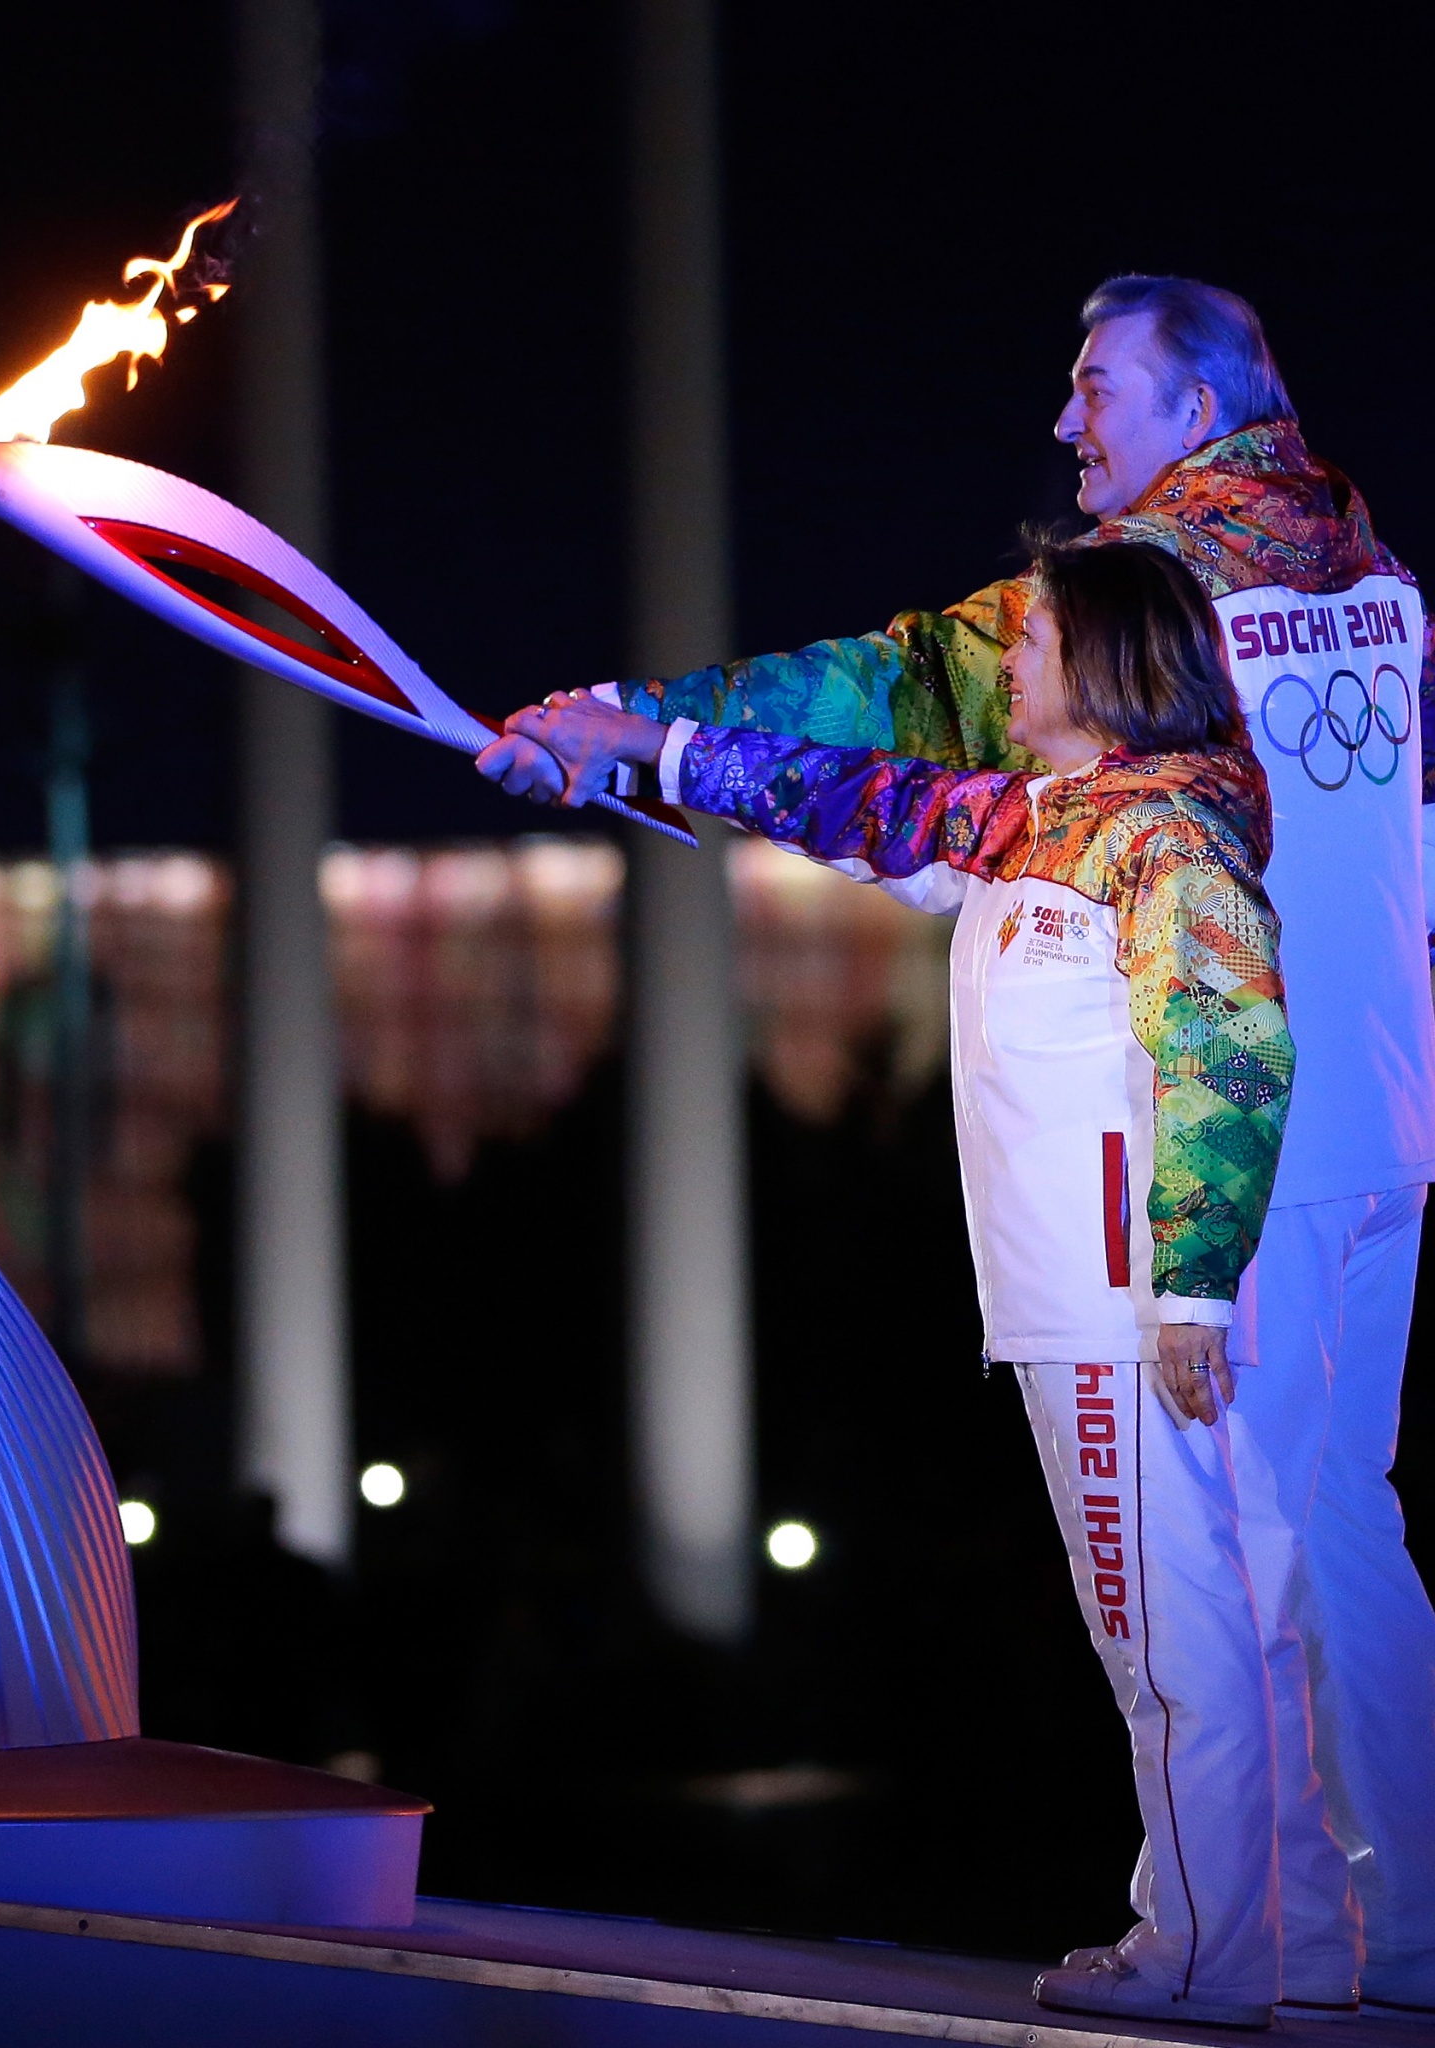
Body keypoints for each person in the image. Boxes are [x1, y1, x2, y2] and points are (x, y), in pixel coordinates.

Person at [479, 275, 1435, 2026]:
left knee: (1224, 1564)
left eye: (1099, 390)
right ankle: (1388, 1934)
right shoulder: (1372, 569)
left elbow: (898, 696)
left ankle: (1242, 1946)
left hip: (1231, 1133)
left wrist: (621, 714)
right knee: (1336, 1527)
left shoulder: (1158, 598)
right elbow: (904, 810)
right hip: (1380, 1109)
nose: (1072, 427)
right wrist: (652, 758)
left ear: (1207, 400)